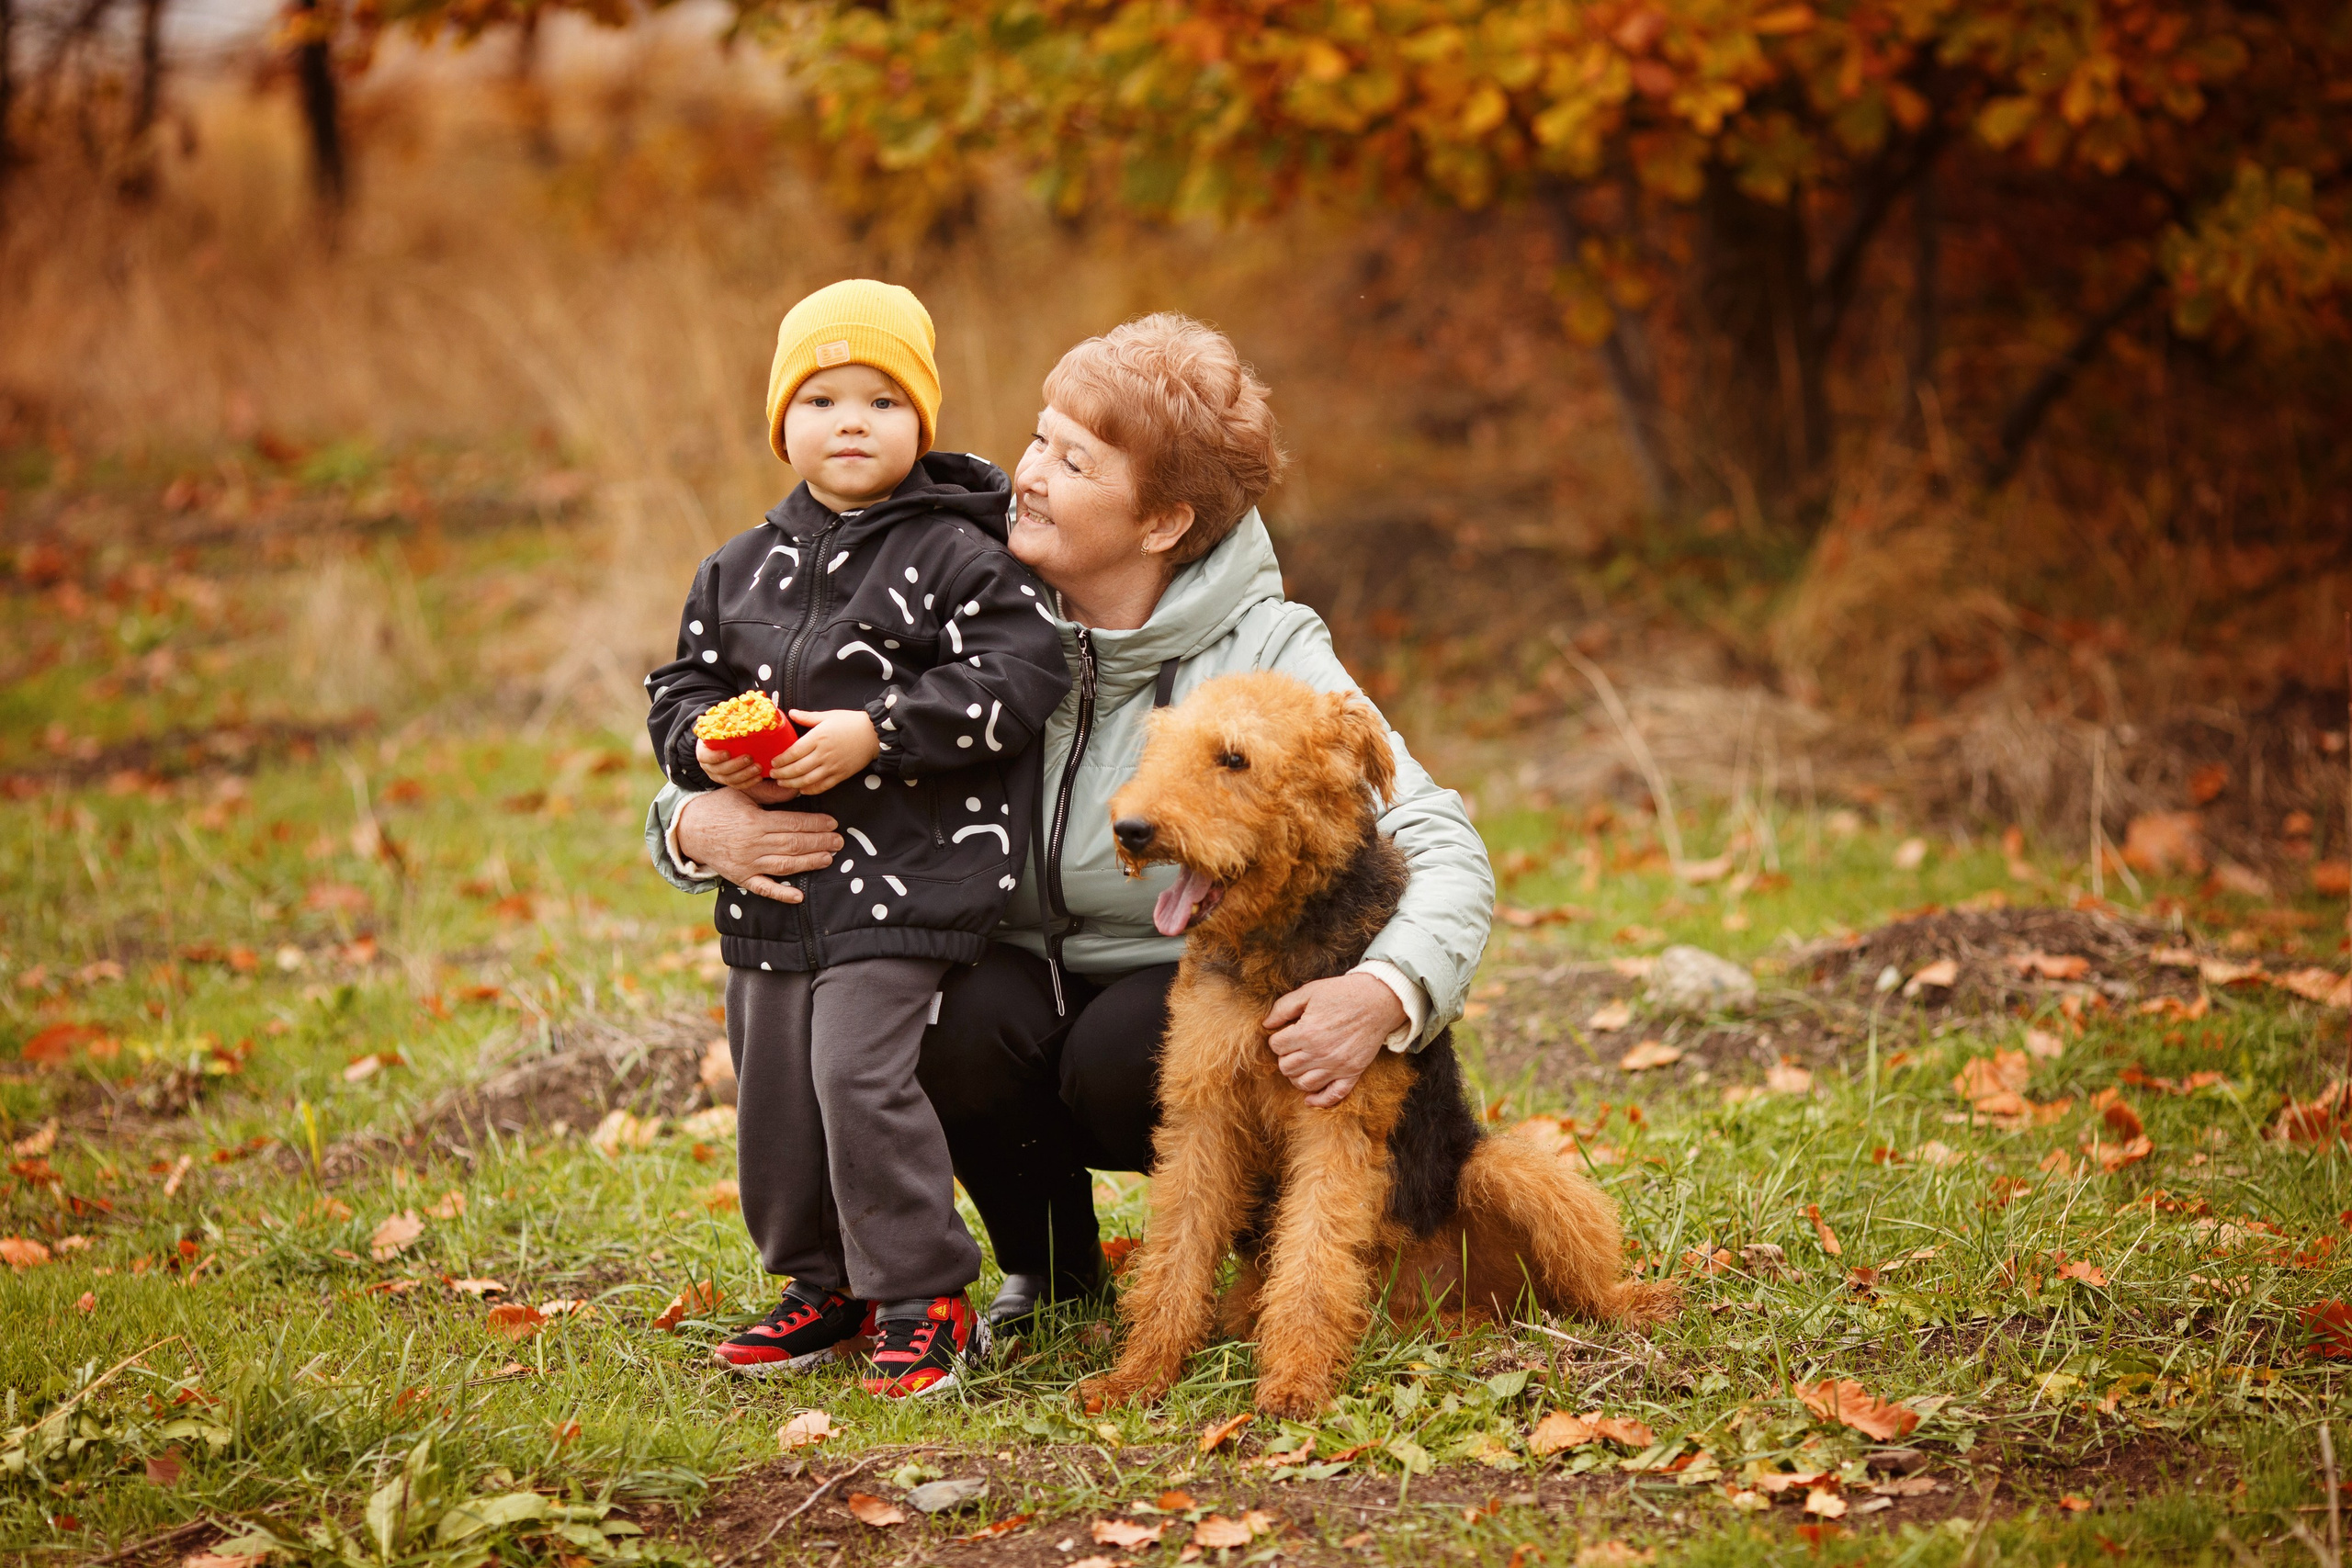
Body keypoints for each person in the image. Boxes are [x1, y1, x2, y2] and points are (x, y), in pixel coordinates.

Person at [647, 313, 1493, 1339]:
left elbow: (1439, 839)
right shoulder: (961, 601)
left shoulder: (1266, 652)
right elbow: (791, 717)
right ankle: (1049, 1272)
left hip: (1177, 984)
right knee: (931, 1011)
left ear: (1162, 522)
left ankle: (1268, 1253)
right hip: (997, 961)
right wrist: (693, 822)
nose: (1029, 474)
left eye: (1073, 460)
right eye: (1038, 438)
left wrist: (1382, 990)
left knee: (1126, 1048)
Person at [643, 279, 1070, 1394]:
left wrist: (873, 732)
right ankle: (820, 1283)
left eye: (881, 401)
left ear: (921, 422)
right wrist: (703, 753)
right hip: (776, 887)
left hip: (912, 879)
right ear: (781, 420)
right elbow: (680, 687)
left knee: (855, 1075)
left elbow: (1016, 680)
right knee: (775, 1085)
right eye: (822, 397)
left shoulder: (963, 556)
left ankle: (921, 1288)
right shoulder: (736, 567)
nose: (849, 420)